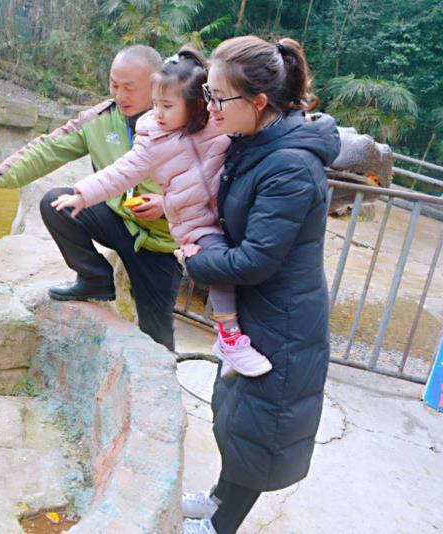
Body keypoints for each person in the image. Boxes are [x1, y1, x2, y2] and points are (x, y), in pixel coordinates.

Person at [176, 36, 341, 534]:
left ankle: (219, 525)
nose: (210, 107)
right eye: (207, 93)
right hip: (260, 310)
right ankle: (216, 499)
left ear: (260, 101)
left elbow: (256, 259)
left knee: (260, 426)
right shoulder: (255, 141)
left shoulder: (289, 165)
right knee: (235, 412)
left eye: (218, 97)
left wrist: (196, 261)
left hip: (283, 318)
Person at [50, 47, 272, 379]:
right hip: (194, 226)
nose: (157, 113)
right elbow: (122, 171)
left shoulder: (216, 123)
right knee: (219, 270)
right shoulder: (153, 136)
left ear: (196, 105)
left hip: (226, 215)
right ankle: (229, 339)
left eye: (166, 106)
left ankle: (227, 343)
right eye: (155, 104)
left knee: (243, 272)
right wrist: (84, 193)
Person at [0, 45, 182, 351]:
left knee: (155, 335)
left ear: (157, 84)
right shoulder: (102, 118)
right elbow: (49, 148)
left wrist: (166, 205)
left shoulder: (183, 124)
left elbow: (208, 186)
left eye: (129, 88)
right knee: (57, 203)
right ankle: (95, 278)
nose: (120, 96)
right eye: (114, 85)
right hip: (118, 219)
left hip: (161, 243)